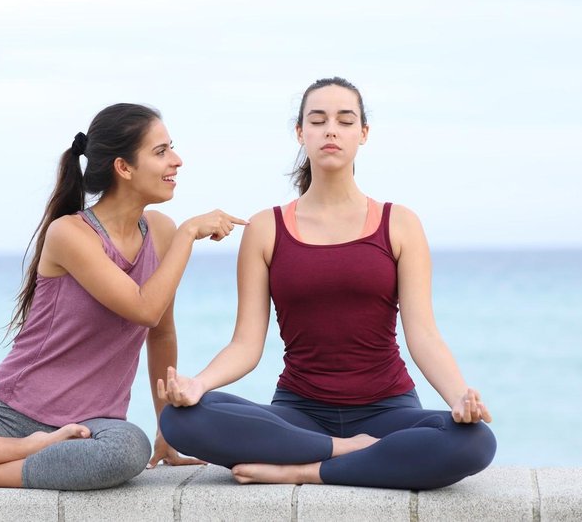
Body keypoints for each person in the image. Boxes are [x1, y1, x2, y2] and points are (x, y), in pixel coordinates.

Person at [0, 103, 247, 490]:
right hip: (11, 417)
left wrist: (167, 428)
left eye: (171, 148)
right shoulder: (70, 234)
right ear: (123, 167)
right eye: (161, 152)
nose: (176, 160)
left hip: (94, 425)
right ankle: (23, 452)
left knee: (128, 450)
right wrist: (188, 235)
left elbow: (160, 333)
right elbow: (143, 308)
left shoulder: (159, 231)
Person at [157, 78, 497, 490]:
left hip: (387, 410)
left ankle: (305, 469)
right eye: (317, 121)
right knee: (179, 418)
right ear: (301, 133)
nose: (331, 130)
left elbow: (423, 335)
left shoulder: (400, 223)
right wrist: (198, 384)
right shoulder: (266, 228)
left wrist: (459, 397)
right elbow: (246, 344)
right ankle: (346, 451)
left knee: (476, 441)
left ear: (363, 133)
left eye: (344, 120)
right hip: (298, 412)